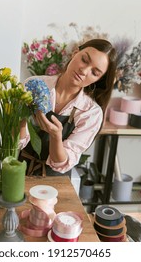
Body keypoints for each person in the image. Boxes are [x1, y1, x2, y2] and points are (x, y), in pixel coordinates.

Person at [19, 38, 117, 176]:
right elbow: (16, 142)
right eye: (84, 59)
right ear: (75, 53)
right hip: (17, 170)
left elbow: (60, 163)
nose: (84, 71)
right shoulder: (34, 85)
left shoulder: (90, 112)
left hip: (56, 183)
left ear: (98, 79)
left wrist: (56, 136)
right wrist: (20, 116)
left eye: (94, 73)